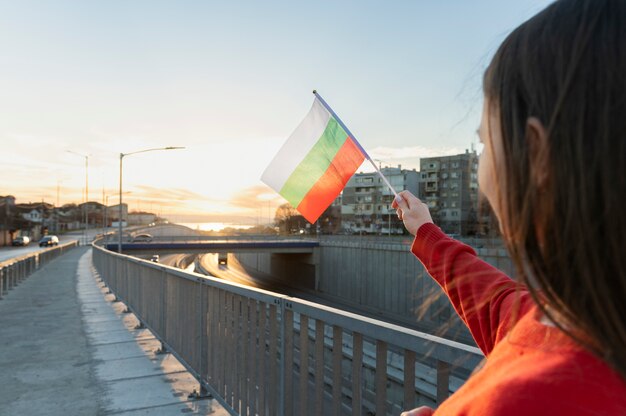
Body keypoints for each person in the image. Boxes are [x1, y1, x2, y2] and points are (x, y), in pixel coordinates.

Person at [393, 0, 626, 414]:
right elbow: (502, 307)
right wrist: (426, 233)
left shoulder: (535, 398)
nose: (482, 165)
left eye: (484, 141)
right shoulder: (584, 325)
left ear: (536, 154)